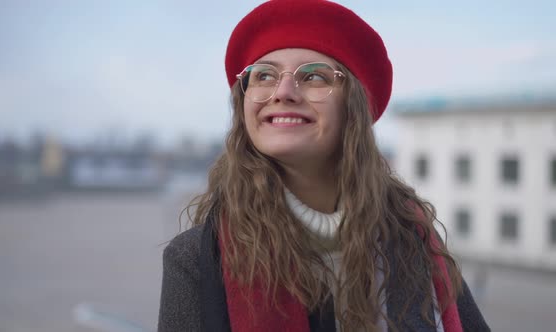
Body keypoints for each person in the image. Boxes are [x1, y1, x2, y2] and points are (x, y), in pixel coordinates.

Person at [157, 0, 489, 331]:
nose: (283, 91)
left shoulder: (413, 241)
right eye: (264, 76)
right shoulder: (197, 261)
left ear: (352, 108)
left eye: (314, 76)